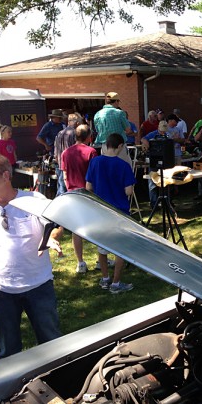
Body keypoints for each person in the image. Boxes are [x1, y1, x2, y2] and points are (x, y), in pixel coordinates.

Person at [0, 154, 61, 358]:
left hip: (39, 286)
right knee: (8, 350)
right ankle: (12, 379)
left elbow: (56, 225)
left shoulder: (35, 200)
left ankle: (60, 374)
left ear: (5, 175)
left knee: (52, 343)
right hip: (2, 291)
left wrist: (50, 237)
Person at [85, 133, 135, 294]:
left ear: (106, 145)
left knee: (102, 247)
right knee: (121, 249)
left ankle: (105, 278)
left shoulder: (95, 162)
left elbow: (88, 187)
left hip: (101, 211)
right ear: (120, 146)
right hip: (119, 212)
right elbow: (128, 191)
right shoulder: (124, 166)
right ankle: (116, 283)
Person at [60, 125, 97, 274]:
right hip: (88, 192)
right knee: (97, 226)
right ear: (89, 137)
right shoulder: (91, 151)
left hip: (72, 192)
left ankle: (80, 262)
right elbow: (94, 174)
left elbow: (64, 175)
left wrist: (68, 189)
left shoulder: (65, 152)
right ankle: (101, 259)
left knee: (76, 229)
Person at [93, 92, 132, 164]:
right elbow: (128, 130)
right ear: (116, 101)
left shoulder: (97, 114)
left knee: (106, 167)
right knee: (125, 166)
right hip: (119, 147)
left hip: (105, 146)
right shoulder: (119, 113)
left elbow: (98, 130)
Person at [141, 121, 173, 209]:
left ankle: (166, 202)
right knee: (152, 182)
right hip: (154, 161)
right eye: (161, 130)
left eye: (164, 130)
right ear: (158, 128)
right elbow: (143, 139)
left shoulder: (168, 135)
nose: (163, 132)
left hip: (165, 161)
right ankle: (154, 203)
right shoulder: (153, 134)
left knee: (165, 181)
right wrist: (147, 145)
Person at [54, 112, 82, 196]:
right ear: (77, 122)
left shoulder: (60, 133)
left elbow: (55, 152)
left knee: (60, 188)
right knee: (67, 191)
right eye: (80, 122)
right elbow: (76, 151)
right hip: (69, 167)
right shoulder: (74, 133)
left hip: (60, 164)